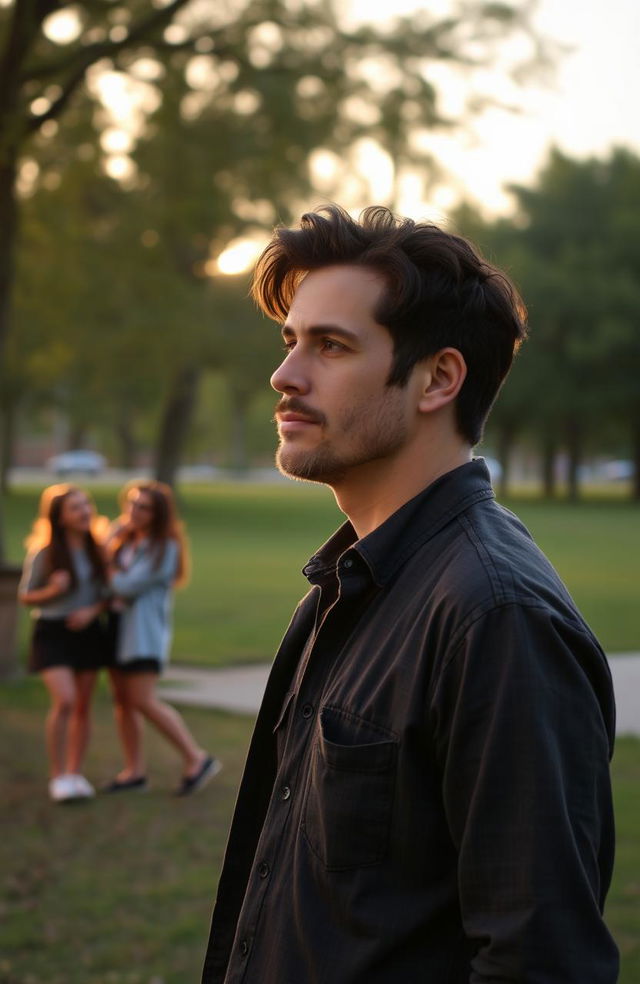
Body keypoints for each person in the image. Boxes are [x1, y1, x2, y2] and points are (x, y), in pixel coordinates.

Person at [202, 205, 618, 983]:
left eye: (331, 346)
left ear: (438, 378)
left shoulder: (496, 618)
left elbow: (542, 958)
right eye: (291, 341)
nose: (284, 375)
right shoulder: (349, 583)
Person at [103, 479, 220, 796]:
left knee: (142, 699)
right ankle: (134, 772)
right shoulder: (126, 542)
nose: (134, 512)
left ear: (158, 514)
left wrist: (105, 555)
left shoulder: (164, 548)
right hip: (116, 630)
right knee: (124, 703)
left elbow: (125, 587)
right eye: (131, 504)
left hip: (142, 637)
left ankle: (197, 758)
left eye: (144, 508)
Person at [18, 484, 108, 803]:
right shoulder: (46, 551)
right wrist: (52, 591)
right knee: (66, 701)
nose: (84, 511)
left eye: (86, 503)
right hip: (52, 632)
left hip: (88, 633)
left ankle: (75, 773)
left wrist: (91, 611)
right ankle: (58, 776)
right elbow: (26, 596)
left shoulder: (97, 547)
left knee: (83, 706)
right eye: (75, 507)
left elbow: (106, 593)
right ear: (60, 517)